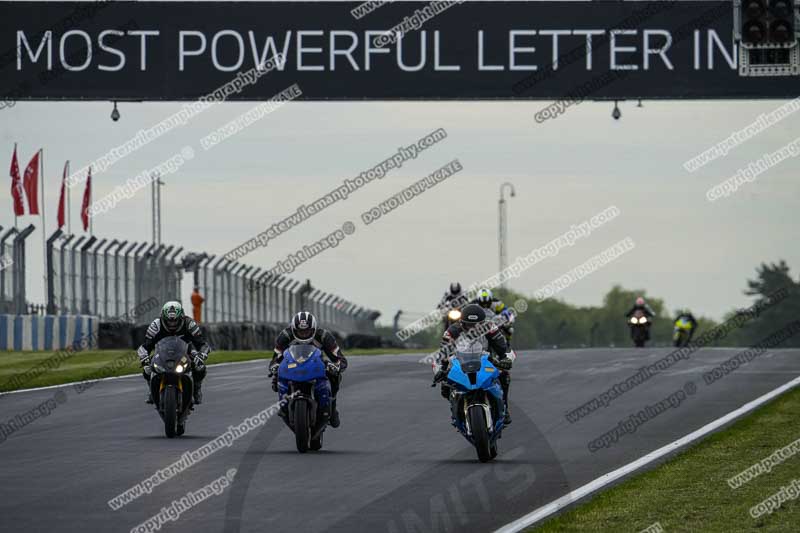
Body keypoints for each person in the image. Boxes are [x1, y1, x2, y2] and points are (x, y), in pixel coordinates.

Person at [434, 303, 515, 424]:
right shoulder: (452, 331)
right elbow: (443, 352)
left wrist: (505, 359)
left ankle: (505, 407)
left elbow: (503, 347)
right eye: (469, 325)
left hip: (486, 361)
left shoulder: (490, 327)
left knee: (504, 375)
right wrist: (442, 368)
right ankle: (456, 410)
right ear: (462, 322)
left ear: (482, 322)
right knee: (445, 384)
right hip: (461, 362)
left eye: (476, 325)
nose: (473, 328)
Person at [269, 311, 348, 428]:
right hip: (292, 364)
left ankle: (332, 406)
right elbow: (275, 359)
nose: (304, 334)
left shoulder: (324, 336)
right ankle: (284, 405)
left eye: (307, 331)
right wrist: (274, 367)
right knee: (276, 377)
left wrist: (337, 366)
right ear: (294, 329)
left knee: (335, 375)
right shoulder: (285, 336)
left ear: (314, 329)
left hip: (317, 364)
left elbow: (340, 359)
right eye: (300, 331)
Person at [137, 301, 210, 405]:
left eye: (175, 321)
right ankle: (151, 391)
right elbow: (144, 347)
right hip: (162, 352)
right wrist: (144, 358)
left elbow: (203, 344)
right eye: (169, 321)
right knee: (147, 369)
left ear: (181, 317)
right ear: (163, 318)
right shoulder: (156, 325)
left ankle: (196, 389)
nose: (172, 324)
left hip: (186, 351)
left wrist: (202, 354)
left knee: (200, 367)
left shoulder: (189, 323)